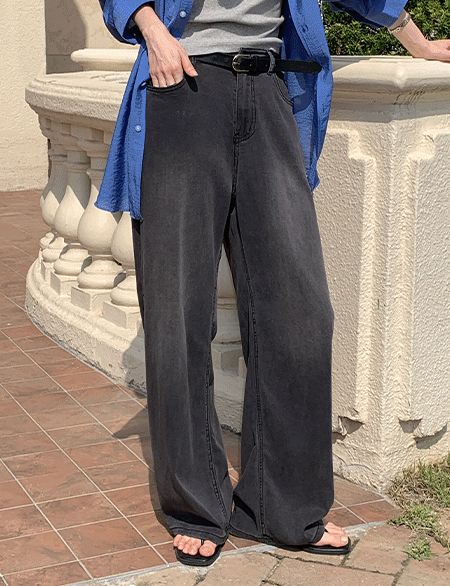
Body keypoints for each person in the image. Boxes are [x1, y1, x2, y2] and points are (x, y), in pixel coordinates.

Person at [96, 0, 450, 567]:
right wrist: (152, 30)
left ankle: (282, 507)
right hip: (179, 87)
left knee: (301, 314)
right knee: (177, 313)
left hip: (271, 91)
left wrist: (420, 43)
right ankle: (196, 507)